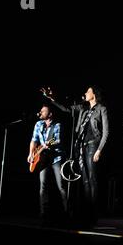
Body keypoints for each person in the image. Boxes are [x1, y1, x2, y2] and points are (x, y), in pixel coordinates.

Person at [50, 85, 109, 227]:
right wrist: (52, 99)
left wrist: (99, 150)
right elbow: (66, 109)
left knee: (92, 179)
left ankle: (93, 214)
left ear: (94, 94)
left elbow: (106, 131)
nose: (85, 93)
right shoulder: (83, 108)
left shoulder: (102, 109)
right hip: (81, 146)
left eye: (88, 91)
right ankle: (87, 213)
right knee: (85, 181)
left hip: (93, 145)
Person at [27, 105, 67, 226]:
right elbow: (34, 140)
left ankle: (65, 212)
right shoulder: (38, 124)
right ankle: (43, 213)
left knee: (61, 186)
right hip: (43, 158)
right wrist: (31, 153)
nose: (41, 112)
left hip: (56, 157)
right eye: (41, 110)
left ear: (50, 114)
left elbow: (57, 140)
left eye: (43, 111)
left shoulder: (57, 125)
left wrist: (48, 145)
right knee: (42, 185)